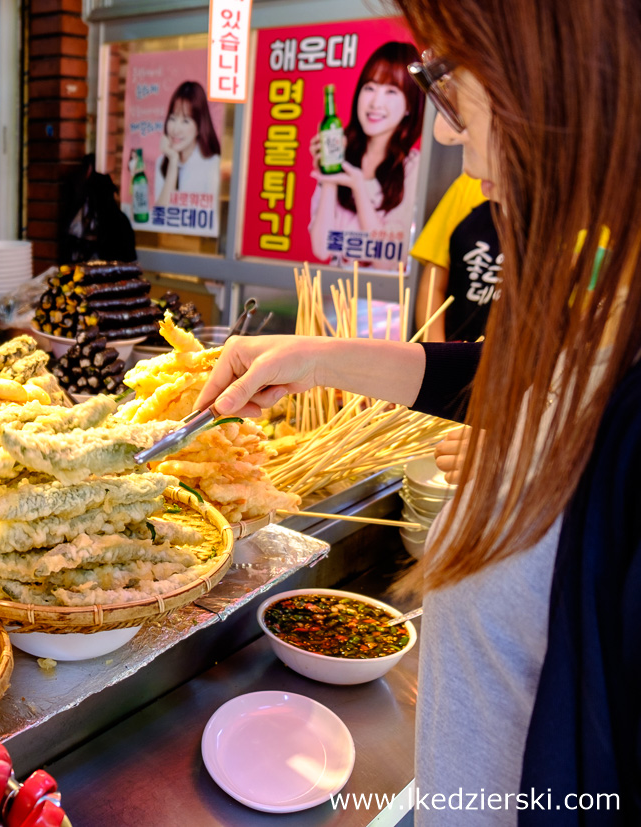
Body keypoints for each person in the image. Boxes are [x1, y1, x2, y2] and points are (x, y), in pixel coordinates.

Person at [196, 1, 639, 822]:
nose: (441, 132)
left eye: (446, 74)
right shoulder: (615, 316)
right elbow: (526, 389)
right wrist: (316, 356)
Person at [308, 41, 424, 267]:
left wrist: (359, 188)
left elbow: (387, 261)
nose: (375, 102)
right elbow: (321, 249)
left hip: (379, 301)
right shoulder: (342, 152)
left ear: (409, 105)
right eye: (369, 87)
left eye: (391, 91)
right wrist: (329, 176)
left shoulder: (411, 167)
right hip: (332, 298)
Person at [411, 171, 500, 341]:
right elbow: (432, 285)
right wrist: (440, 358)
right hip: (457, 345)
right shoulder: (470, 184)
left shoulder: (560, 201)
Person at [153, 81, 221, 209]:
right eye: (172, 118)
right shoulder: (162, 162)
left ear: (200, 126)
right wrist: (173, 161)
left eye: (185, 121)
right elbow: (160, 213)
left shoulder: (212, 165)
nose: (175, 129)